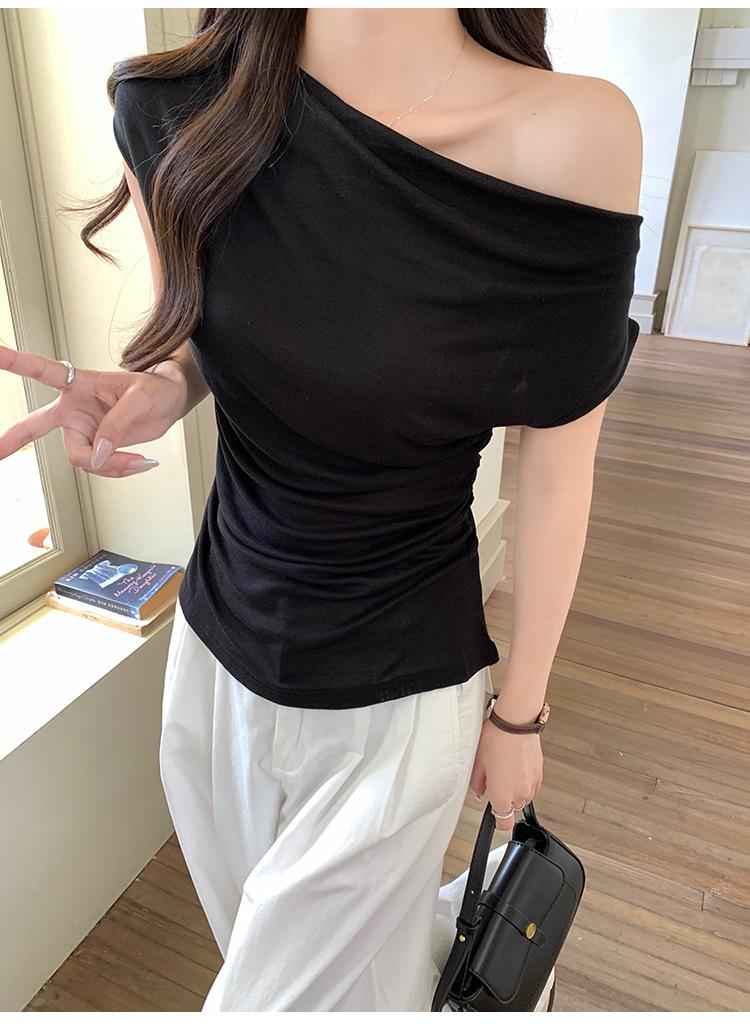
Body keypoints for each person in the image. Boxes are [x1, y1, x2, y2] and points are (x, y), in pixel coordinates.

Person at [0, 8, 642, 1013]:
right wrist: (160, 386)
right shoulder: (170, 110)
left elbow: (561, 469)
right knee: (329, 974)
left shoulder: (569, 137)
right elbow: (202, 335)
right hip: (216, 663)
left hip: (398, 690)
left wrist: (521, 711)